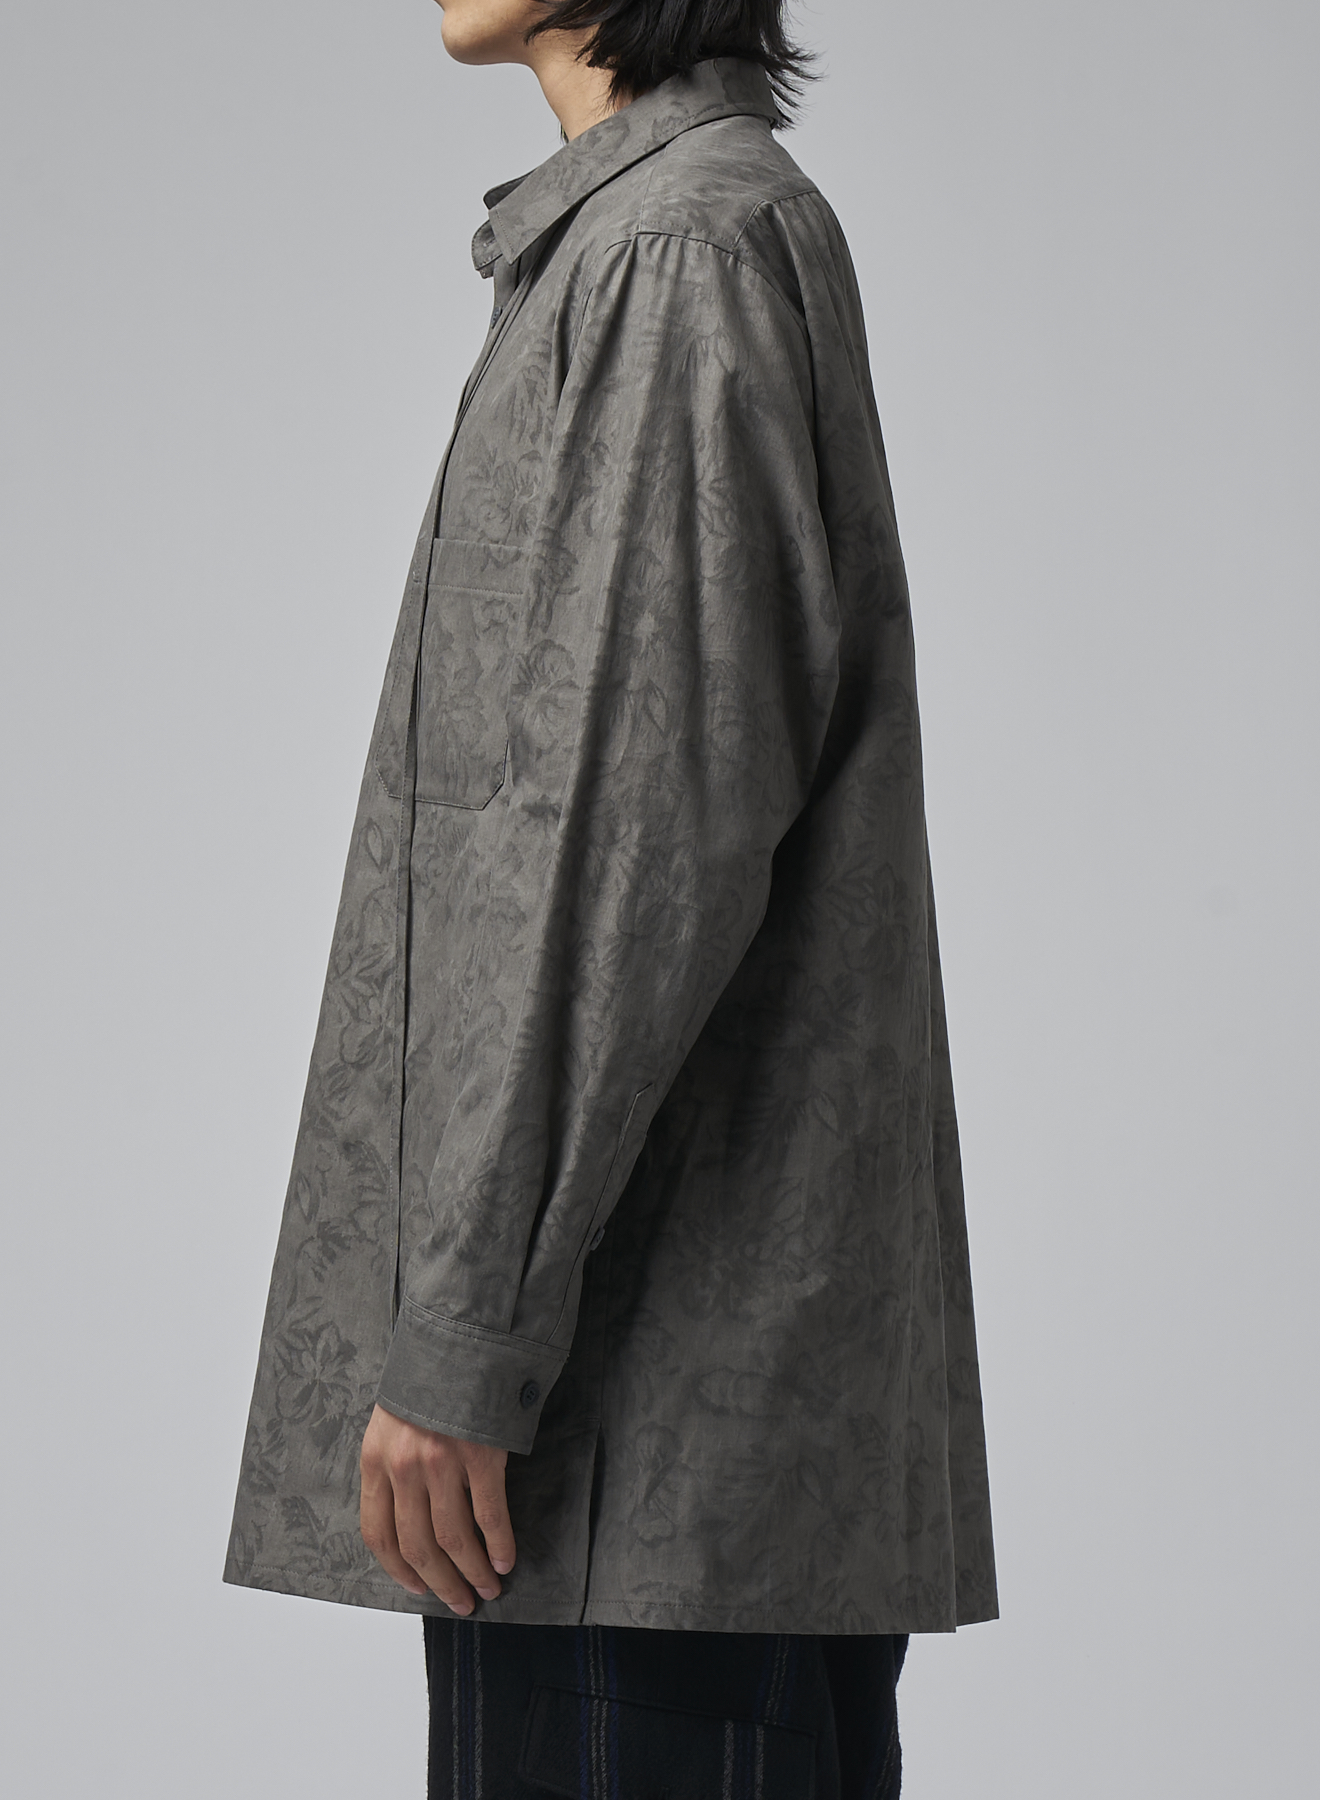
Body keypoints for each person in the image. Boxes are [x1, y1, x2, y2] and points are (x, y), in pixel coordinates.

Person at [224, 2, 998, 1792]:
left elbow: (626, 836)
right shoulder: (660, 240)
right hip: (661, 1451)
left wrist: (466, 1335)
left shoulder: (672, 257)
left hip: (626, 1446)